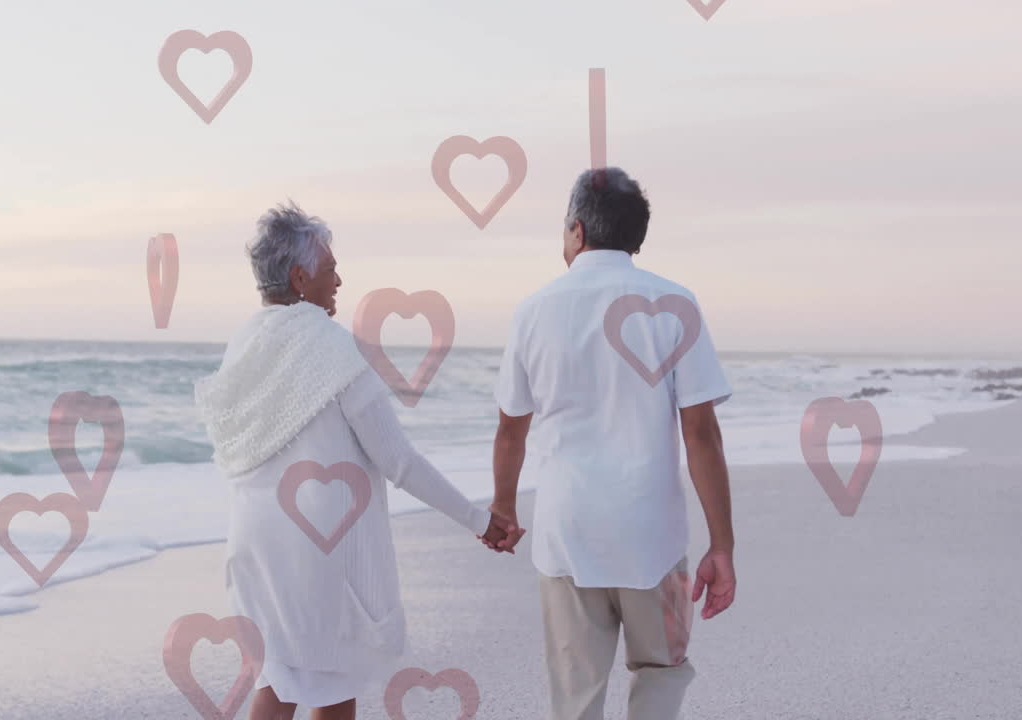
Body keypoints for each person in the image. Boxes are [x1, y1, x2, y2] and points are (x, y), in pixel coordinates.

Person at [194, 201, 522, 720]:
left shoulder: (244, 344)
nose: (340, 279)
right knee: (323, 681)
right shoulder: (332, 347)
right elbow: (398, 460)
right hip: (314, 548)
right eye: (330, 269)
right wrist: (479, 520)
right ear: (301, 278)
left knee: (284, 679)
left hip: (253, 544)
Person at [484, 167, 737, 720]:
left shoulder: (534, 310)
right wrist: (723, 546)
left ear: (576, 230)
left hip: (566, 530)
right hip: (651, 534)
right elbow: (701, 434)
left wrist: (503, 506)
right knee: (662, 671)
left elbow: (511, 429)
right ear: (637, 238)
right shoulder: (675, 304)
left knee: (575, 696)